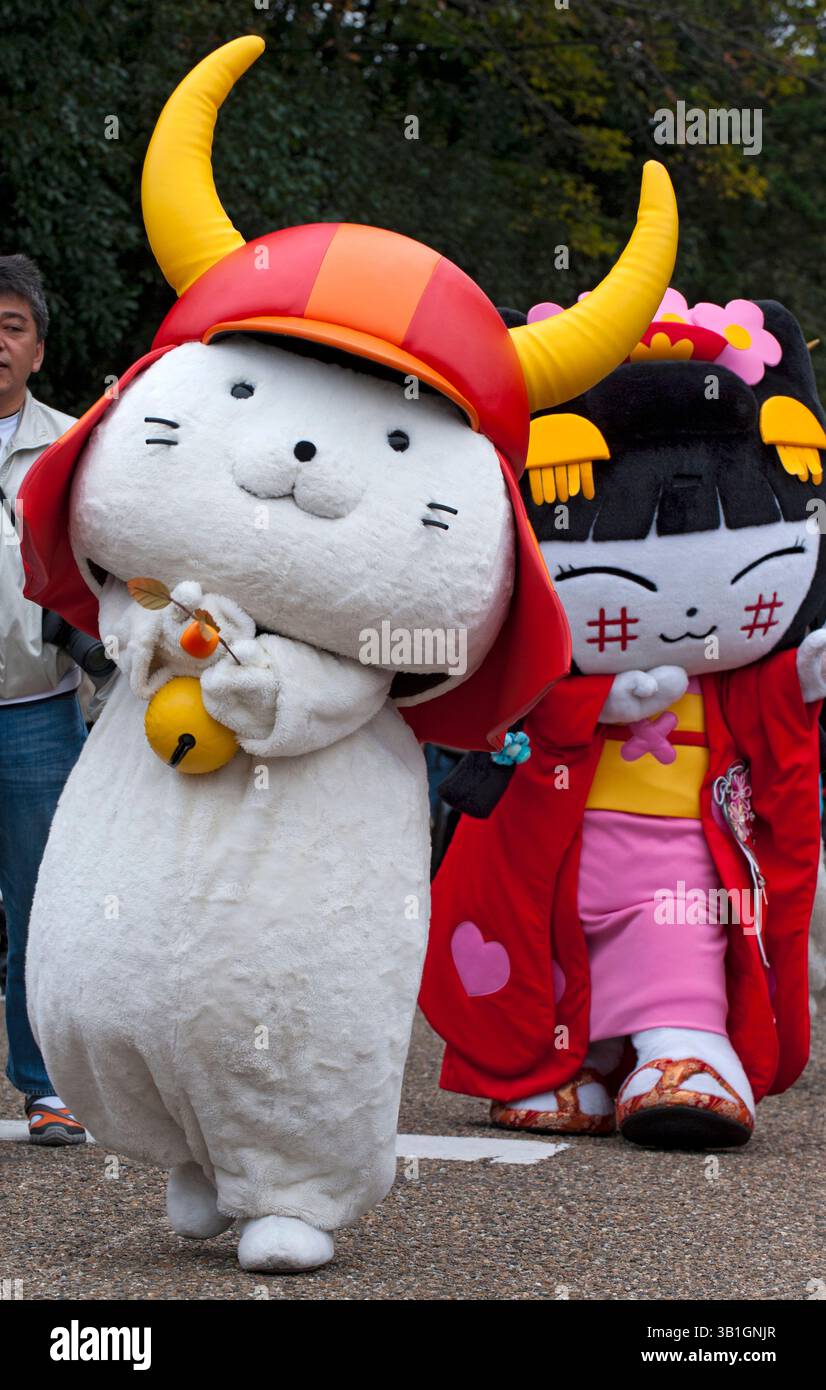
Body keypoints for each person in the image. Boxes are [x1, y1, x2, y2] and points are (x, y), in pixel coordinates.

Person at [0, 253, 87, 1144]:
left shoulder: (69, 446)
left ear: (38, 349)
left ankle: (46, 1086)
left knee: (38, 907)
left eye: (11, 325)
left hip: (38, 710)